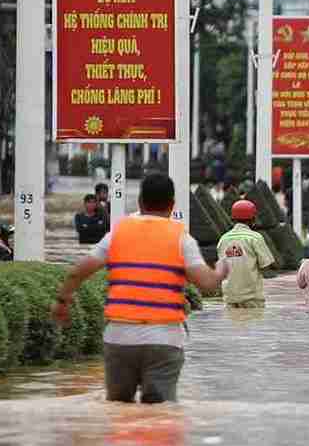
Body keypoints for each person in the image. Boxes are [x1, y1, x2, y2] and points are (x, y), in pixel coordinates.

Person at [52, 172, 225, 404]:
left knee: (118, 411)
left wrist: (62, 301)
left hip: (120, 338)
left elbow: (78, 271)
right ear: (172, 205)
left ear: (140, 202)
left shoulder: (118, 233)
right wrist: (222, 270)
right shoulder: (182, 239)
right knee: (159, 416)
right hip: (164, 340)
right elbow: (207, 283)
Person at [213, 198, 278, 308]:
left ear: (232, 219)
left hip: (230, 297)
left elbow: (221, 268)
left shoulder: (223, 239)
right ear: (253, 219)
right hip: (252, 298)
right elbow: (266, 265)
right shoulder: (255, 238)